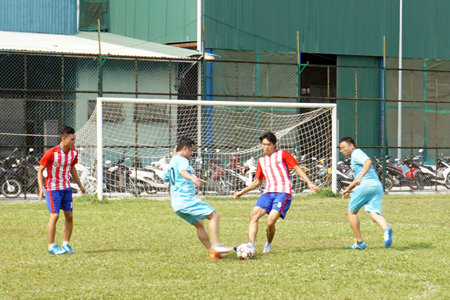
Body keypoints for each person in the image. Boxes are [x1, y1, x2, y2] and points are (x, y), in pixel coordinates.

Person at [233, 131, 319, 254]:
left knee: (270, 222)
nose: (266, 147)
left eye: (268, 144)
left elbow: (297, 168)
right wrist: (243, 191)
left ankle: (268, 243)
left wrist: (309, 182)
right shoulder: (261, 161)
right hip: (268, 193)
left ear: (274, 144)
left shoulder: (282, 154)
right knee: (253, 216)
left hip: (283, 193)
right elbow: (258, 181)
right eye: (263, 144)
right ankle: (250, 245)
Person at [162, 137, 233, 260]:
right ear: (184, 149)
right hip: (186, 201)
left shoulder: (172, 162)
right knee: (214, 216)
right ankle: (216, 245)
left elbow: (165, 178)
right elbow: (182, 171)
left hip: (176, 205)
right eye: (191, 150)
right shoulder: (182, 159)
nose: (191, 154)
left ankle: (212, 251)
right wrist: (193, 178)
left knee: (200, 225)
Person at [339, 137, 393, 250]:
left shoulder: (356, 153)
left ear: (352, 146)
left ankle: (359, 243)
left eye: (344, 147)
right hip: (376, 186)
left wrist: (360, 178)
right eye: (340, 149)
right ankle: (386, 229)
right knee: (374, 214)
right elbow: (357, 179)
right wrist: (348, 189)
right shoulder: (355, 156)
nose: (342, 150)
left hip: (365, 186)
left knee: (352, 213)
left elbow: (368, 162)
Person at [38, 126, 85, 255]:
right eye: (72, 139)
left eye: (74, 139)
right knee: (55, 216)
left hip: (66, 189)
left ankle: (66, 245)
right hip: (53, 190)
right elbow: (40, 170)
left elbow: (73, 169)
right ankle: (51, 247)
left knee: (69, 216)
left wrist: (80, 185)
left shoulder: (73, 153)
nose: (74, 142)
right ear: (64, 139)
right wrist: (41, 188)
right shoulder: (51, 153)